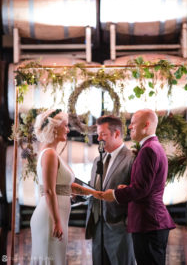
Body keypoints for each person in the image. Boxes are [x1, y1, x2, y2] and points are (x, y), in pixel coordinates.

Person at [101, 109, 176, 265]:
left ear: (146, 125)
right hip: (151, 222)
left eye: (133, 123)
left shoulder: (148, 150)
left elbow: (142, 189)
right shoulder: (154, 147)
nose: (129, 127)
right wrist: (128, 187)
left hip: (148, 223)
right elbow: (145, 185)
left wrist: (115, 194)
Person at [30, 109, 99, 265]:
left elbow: (68, 186)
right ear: (55, 127)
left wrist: (96, 193)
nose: (68, 130)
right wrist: (56, 221)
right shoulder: (49, 154)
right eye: (66, 126)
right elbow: (48, 191)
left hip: (57, 217)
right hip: (49, 218)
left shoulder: (51, 152)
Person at [85, 115, 135, 265]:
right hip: (97, 227)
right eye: (98, 134)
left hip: (120, 229)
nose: (98, 138)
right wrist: (79, 194)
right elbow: (95, 188)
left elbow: (136, 192)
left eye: (103, 134)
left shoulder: (131, 158)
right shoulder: (97, 160)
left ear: (117, 134)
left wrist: (126, 223)